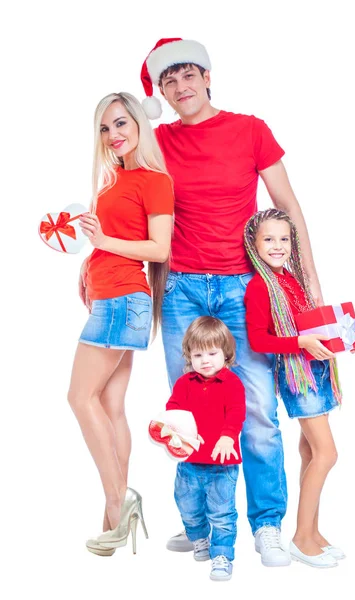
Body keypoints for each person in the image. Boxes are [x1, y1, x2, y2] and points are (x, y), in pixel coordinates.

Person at [137, 37, 323, 566]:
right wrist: (91, 254)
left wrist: (310, 282)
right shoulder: (157, 141)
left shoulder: (250, 129)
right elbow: (130, 203)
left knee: (258, 411)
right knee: (188, 410)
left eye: (188, 74)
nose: (180, 86)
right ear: (162, 92)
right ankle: (201, 522)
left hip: (244, 288)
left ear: (208, 76)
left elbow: (287, 206)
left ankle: (266, 524)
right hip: (182, 289)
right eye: (168, 80)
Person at [69, 91, 174, 557]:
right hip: (109, 297)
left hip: (121, 301)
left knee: (79, 396)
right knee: (110, 407)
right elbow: (108, 241)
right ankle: (113, 521)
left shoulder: (153, 179)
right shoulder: (114, 179)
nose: (113, 135)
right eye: (105, 128)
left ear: (138, 125)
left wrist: (105, 242)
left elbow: (159, 250)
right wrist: (87, 264)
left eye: (120, 124)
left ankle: (119, 500)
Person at [243, 208, 344, 568]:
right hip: (299, 377)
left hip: (317, 371)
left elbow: (306, 324)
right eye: (268, 239)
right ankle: (301, 539)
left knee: (310, 453)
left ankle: (312, 531)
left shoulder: (292, 278)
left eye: (284, 239)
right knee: (327, 454)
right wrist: (301, 343)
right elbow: (258, 340)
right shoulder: (259, 286)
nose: (277, 245)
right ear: (254, 244)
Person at [165, 316, 246, 581]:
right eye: (198, 354)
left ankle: (222, 556)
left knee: (222, 513)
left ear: (226, 353)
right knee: (186, 504)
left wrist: (227, 437)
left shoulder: (232, 383)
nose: (205, 360)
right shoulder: (184, 383)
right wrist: (172, 430)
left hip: (223, 465)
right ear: (189, 356)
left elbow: (237, 413)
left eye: (212, 353)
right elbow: (173, 410)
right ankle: (199, 538)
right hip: (189, 462)